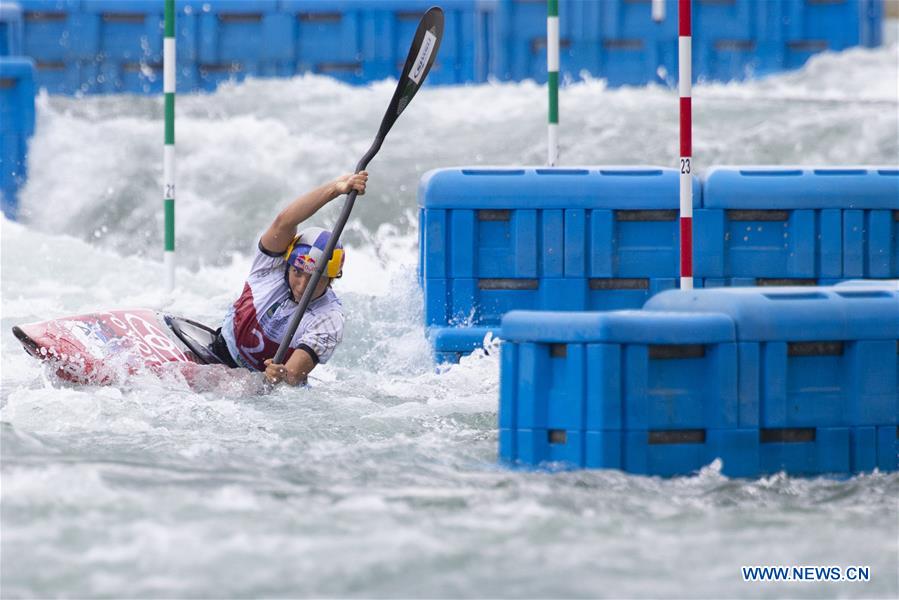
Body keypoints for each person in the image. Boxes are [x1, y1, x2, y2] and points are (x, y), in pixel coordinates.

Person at [210, 172, 368, 386]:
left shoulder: (329, 318)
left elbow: (293, 376)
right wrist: (336, 188)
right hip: (220, 351)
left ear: (331, 279)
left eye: (315, 279)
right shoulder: (271, 267)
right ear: (288, 265)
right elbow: (284, 222)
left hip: (261, 388)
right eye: (297, 273)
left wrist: (281, 375)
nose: (303, 286)